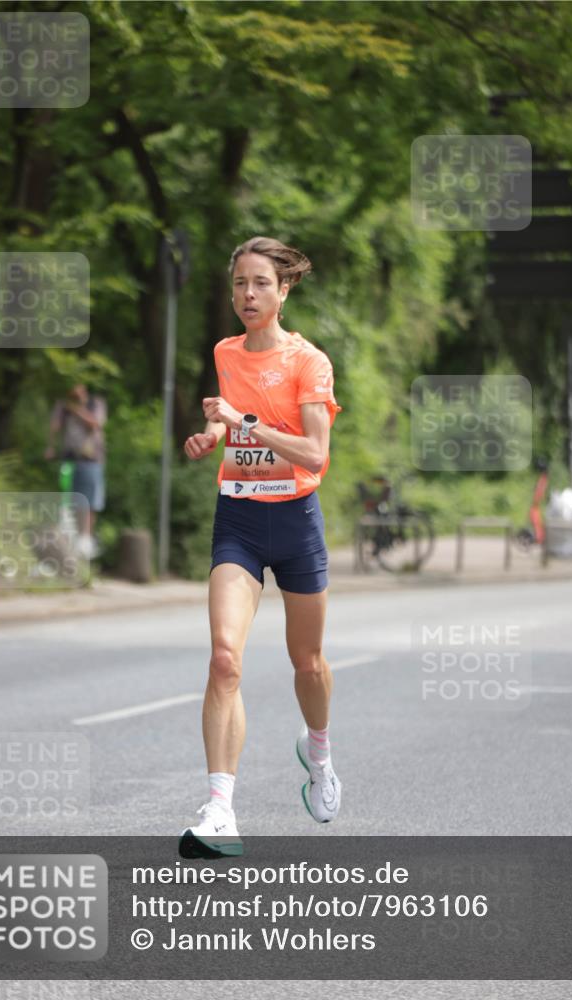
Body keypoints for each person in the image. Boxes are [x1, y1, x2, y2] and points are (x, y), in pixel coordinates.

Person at [179, 236, 342, 859]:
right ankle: (219, 810)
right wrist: (210, 434)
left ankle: (319, 752)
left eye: (261, 284)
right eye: (241, 283)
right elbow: (227, 419)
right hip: (239, 520)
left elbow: (314, 452)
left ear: (284, 290)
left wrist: (244, 424)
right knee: (224, 658)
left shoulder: (309, 362)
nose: (249, 295)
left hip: (297, 521)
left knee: (309, 664)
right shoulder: (226, 352)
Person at [45, 383, 107, 558]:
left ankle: (85, 541)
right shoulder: (64, 406)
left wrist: (76, 409)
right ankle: (67, 540)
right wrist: (50, 446)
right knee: (67, 499)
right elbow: (55, 427)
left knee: (89, 501)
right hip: (69, 459)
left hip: (91, 459)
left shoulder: (95, 404)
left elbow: (95, 424)